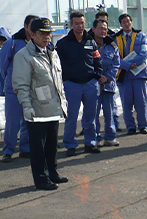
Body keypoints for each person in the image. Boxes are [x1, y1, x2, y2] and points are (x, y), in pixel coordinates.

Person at [12, 18, 68, 190]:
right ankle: (40, 178)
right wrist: (27, 106)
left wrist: (63, 101)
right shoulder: (24, 56)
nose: (46, 37)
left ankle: (53, 172)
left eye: (48, 33)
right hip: (36, 109)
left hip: (52, 107)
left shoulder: (52, 53)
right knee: (38, 148)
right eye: (42, 34)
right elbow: (21, 85)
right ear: (32, 35)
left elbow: (57, 81)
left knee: (52, 144)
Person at [57, 11, 102, 156]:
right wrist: (64, 80)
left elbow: (97, 60)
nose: (80, 26)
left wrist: (96, 77)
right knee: (71, 116)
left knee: (91, 116)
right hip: (72, 85)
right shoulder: (63, 43)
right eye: (76, 23)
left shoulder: (90, 41)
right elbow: (57, 64)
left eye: (82, 23)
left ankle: (90, 143)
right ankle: (70, 145)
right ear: (71, 25)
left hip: (90, 84)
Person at [0, 15, 38, 163]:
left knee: (29, 119)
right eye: (32, 25)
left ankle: (25, 148)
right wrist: (7, 85)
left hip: (32, 89)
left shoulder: (37, 42)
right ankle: (8, 150)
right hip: (14, 89)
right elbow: (2, 67)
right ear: (25, 26)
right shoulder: (12, 43)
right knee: (12, 122)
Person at [112, 13, 147, 135]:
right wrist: (127, 65)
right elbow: (114, 56)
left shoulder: (140, 36)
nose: (126, 23)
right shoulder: (115, 38)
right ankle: (130, 127)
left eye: (128, 21)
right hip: (123, 75)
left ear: (131, 22)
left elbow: (144, 53)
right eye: (123, 22)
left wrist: (134, 63)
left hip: (139, 74)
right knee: (126, 102)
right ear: (120, 24)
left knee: (141, 101)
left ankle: (143, 125)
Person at [92, 19, 121, 147]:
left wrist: (107, 77)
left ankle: (110, 137)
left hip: (108, 85)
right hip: (93, 84)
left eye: (105, 29)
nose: (103, 31)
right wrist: (97, 76)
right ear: (93, 29)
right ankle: (95, 138)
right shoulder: (88, 44)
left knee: (109, 113)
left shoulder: (112, 46)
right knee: (93, 113)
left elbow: (116, 64)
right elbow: (86, 63)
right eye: (100, 28)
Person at [0, 27, 11, 98]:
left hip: (9, 84)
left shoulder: (5, 50)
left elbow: (3, 69)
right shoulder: (2, 51)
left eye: (2, 40)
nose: (0, 42)